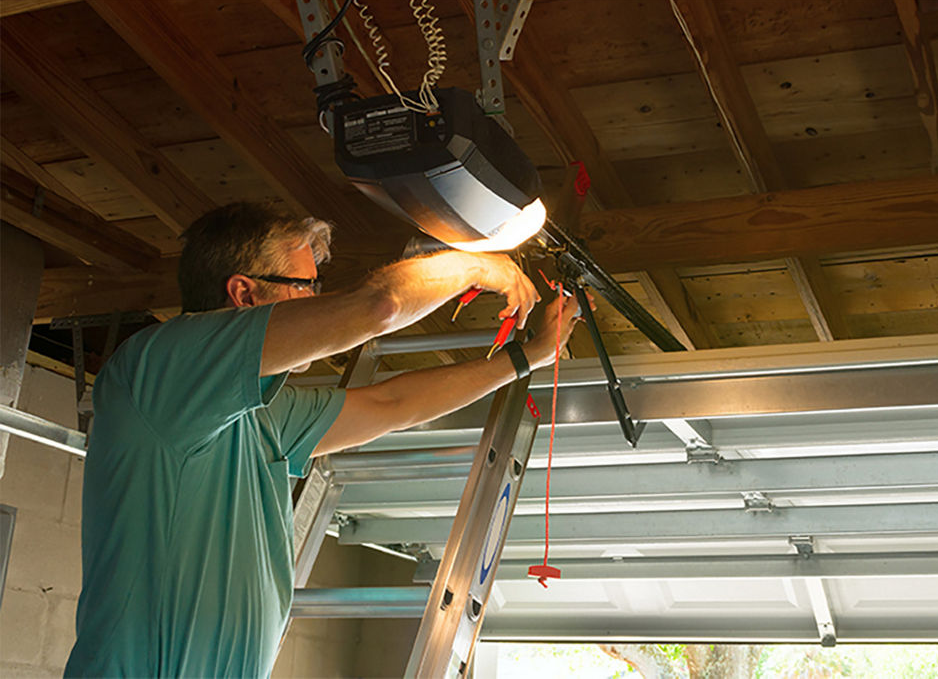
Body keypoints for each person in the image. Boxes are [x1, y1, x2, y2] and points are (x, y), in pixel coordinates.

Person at [64, 202, 580, 677]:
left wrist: (527, 357)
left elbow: (390, 405)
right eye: (304, 286)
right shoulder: (161, 369)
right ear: (244, 293)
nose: (315, 300)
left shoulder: (262, 412)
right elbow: (377, 306)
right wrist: (478, 265)